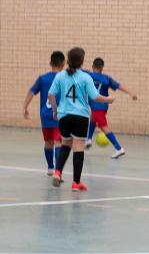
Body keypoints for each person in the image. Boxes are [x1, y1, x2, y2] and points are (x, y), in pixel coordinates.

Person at [48, 47, 115, 191]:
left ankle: (58, 172)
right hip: (80, 117)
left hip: (64, 116)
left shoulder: (60, 76)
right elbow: (95, 97)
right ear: (82, 61)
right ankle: (76, 182)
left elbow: (51, 95)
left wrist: (55, 111)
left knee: (65, 144)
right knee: (78, 147)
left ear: (68, 60)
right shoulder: (85, 77)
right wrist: (109, 99)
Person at [84, 57, 137, 159]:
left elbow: (75, 69)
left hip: (97, 105)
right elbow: (119, 86)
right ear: (102, 68)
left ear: (93, 66)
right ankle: (89, 139)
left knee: (104, 127)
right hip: (103, 105)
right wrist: (130, 93)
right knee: (92, 118)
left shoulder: (87, 74)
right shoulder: (107, 78)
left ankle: (119, 148)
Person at [23, 51, 65, 176]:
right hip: (58, 114)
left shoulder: (42, 78)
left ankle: (50, 168)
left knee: (48, 142)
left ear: (50, 63)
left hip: (45, 115)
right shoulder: (64, 79)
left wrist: (25, 107)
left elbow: (31, 92)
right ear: (63, 64)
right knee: (59, 142)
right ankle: (58, 171)